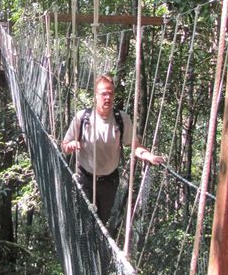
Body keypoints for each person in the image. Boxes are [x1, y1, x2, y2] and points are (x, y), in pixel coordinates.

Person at [61, 74, 164, 226]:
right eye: (103, 93)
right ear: (96, 96)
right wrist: (69, 147)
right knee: (83, 221)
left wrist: (148, 155)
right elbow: (64, 146)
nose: (107, 97)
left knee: (101, 224)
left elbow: (134, 145)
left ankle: (95, 249)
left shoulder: (121, 119)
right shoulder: (82, 118)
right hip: (85, 178)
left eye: (111, 93)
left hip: (109, 182)